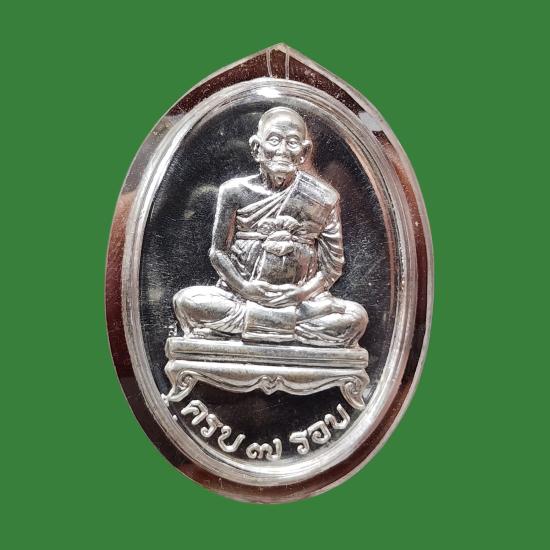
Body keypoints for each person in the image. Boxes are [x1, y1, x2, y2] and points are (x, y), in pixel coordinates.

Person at [173, 107, 367, 348]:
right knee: (187, 301)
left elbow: (332, 267)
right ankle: (285, 326)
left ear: (304, 152)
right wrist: (245, 288)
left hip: (301, 302)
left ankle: (253, 326)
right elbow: (218, 252)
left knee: (355, 317)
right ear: (257, 148)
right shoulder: (233, 192)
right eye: (274, 140)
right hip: (241, 297)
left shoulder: (324, 198)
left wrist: (300, 294)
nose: (283, 150)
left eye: (292, 142)